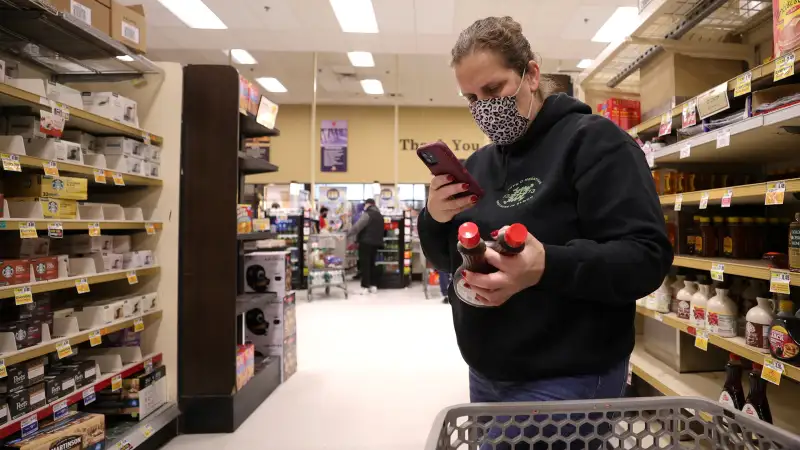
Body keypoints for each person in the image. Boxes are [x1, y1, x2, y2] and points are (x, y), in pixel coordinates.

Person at [418, 16, 673, 441]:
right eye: (470, 97)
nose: (484, 106)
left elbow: (645, 257)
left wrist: (547, 265)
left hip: (567, 375)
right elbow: (446, 257)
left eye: (494, 90)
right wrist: (436, 218)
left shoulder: (595, 143)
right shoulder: (477, 166)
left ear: (531, 75)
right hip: (486, 371)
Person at [348, 199, 385, 295]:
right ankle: (373, 286)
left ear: (368, 204)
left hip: (366, 242)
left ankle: (364, 287)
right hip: (376, 243)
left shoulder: (367, 214)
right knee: (372, 264)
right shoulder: (380, 216)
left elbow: (357, 227)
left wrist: (347, 234)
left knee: (365, 265)